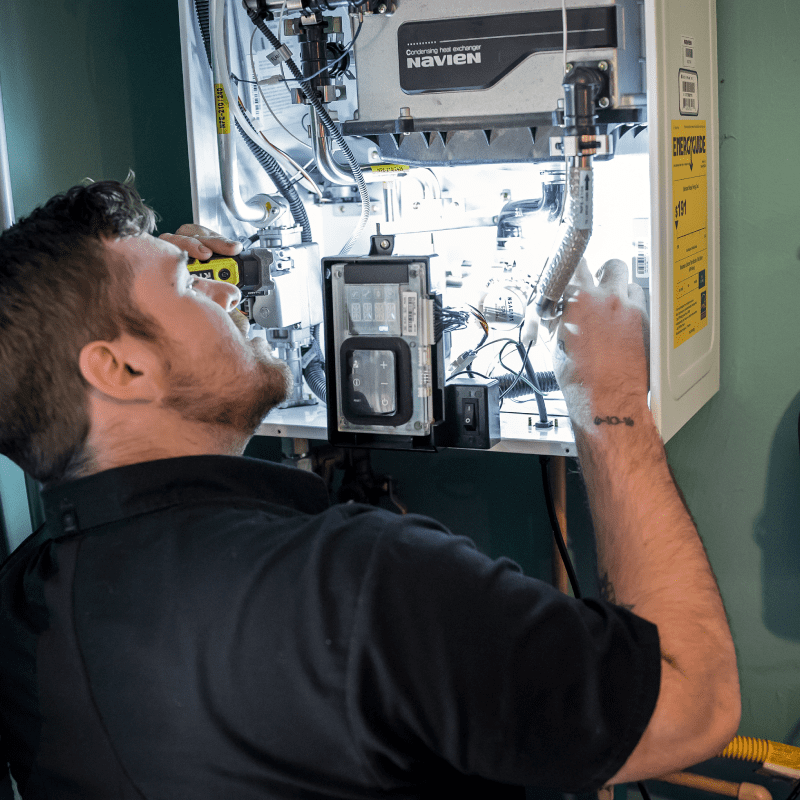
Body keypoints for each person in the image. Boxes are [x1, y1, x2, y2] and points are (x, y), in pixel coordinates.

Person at [0, 179, 739, 799]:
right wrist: (609, 401)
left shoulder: (22, 608)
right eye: (188, 284)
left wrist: (174, 299)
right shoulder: (357, 582)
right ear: (122, 370)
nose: (227, 292)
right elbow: (693, 702)